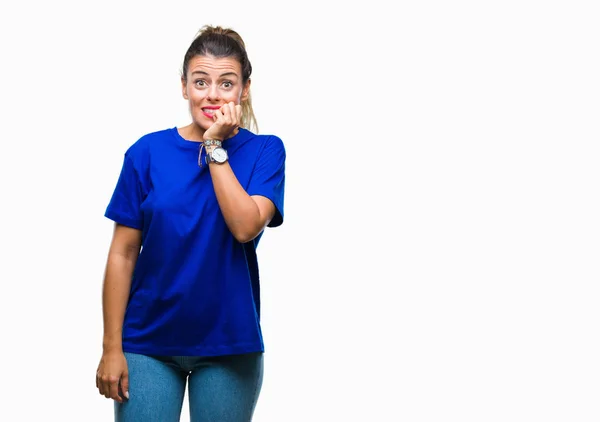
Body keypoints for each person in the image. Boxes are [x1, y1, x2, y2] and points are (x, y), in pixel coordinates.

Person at [95, 24, 286, 422]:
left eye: (226, 83)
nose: (212, 94)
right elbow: (123, 254)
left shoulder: (265, 151)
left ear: (244, 89)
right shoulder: (146, 152)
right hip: (146, 344)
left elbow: (245, 226)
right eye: (201, 81)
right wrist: (111, 346)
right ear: (184, 86)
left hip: (229, 345)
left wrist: (215, 147)